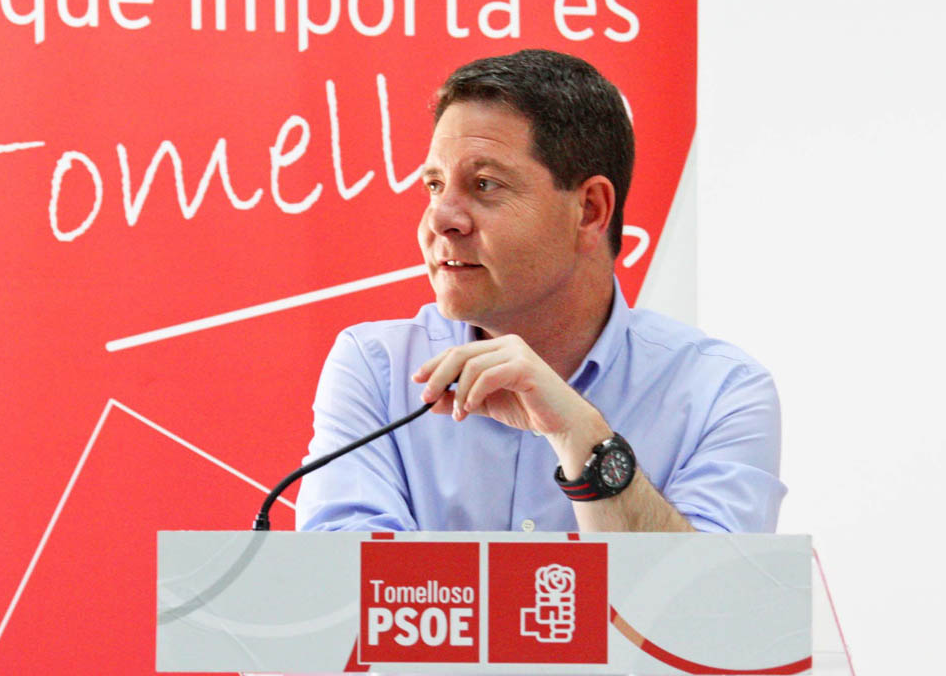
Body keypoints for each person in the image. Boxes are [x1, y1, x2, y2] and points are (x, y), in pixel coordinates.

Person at [295, 49, 785, 533]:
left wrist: (584, 439)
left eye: (485, 184)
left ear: (590, 210)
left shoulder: (720, 391)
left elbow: (710, 586)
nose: (440, 219)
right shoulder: (377, 370)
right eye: (435, 185)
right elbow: (343, 580)